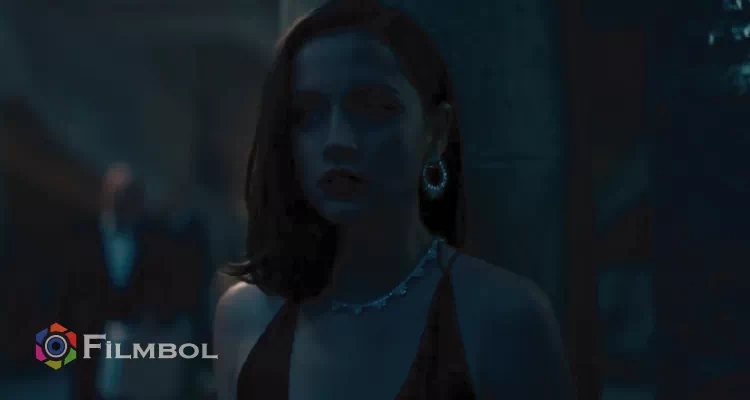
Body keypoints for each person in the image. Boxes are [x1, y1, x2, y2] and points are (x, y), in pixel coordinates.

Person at [214, 1, 575, 399]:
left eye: (373, 109)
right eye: (306, 115)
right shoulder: (244, 316)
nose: (336, 141)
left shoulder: (504, 320)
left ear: (435, 132)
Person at [58, 163, 210, 400]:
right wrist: (56, 360)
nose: (123, 202)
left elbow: (171, 292)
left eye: (130, 196)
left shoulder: (155, 240)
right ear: (104, 196)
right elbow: (61, 301)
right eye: (118, 195)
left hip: (136, 359)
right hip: (86, 357)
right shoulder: (79, 239)